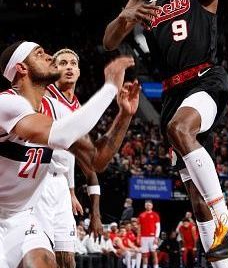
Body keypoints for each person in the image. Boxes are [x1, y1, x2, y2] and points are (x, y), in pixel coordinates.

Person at [103, 0, 228, 263]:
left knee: (180, 129)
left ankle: (227, 227)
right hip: (172, 94)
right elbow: (109, 41)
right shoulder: (144, 0)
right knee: (196, 196)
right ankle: (223, 263)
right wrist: (125, 16)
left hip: (204, 80)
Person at [0, 41, 139, 268]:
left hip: (21, 217)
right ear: (21, 68)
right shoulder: (7, 103)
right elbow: (61, 135)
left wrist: (124, 116)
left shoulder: (59, 110)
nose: (49, 57)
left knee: (46, 261)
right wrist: (110, 87)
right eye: (40, 54)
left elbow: (97, 160)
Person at [35, 48, 104, 268]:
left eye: (73, 63)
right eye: (62, 63)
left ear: (79, 71)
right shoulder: (45, 98)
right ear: (54, 69)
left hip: (61, 186)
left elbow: (77, 158)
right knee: (42, 256)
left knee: (67, 257)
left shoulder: (76, 108)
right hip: (39, 181)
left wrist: (73, 192)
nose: (68, 67)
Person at [138, 200, 161, 268]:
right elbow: (139, 227)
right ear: (145, 206)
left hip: (152, 237)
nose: (148, 206)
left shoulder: (155, 215)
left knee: (154, 254)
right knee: (144, 255)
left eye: (149, 205)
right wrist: (139, 238)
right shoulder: (141, 215)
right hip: (143, 237)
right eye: (147, 205)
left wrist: (156, 238)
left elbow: (158, 227)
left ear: (152, 206)